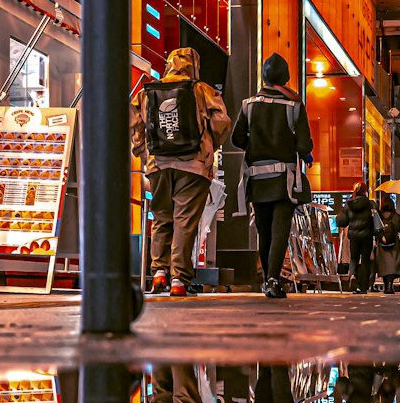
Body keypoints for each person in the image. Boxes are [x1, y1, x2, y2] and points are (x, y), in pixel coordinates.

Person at [130, 46, 230, 298]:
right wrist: (210, 146)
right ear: (193, 66)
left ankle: (159, 272)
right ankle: (178, 279)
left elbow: (134, 123)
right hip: (193, 165)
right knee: (185, 221)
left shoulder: (147, 92)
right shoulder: (202, 90)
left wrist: (144, 152)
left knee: (162, 217)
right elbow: (222, 122)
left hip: (158, 166)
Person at [232, 53, 314, 299]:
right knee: (280, 231)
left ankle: (268, 280)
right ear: (286, 78)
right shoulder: (294, 106)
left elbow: (237, 139)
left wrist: (255, 144)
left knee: (264, 231)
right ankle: (272, 280)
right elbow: (304, 146)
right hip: (284, 181)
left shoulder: (248, 105)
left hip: (257, 179)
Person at [336, 182, 379, 292]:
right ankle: (363, 287)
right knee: (365, 260)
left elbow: (342, 221)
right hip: (367, 236)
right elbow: (377, 220)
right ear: (365, 191)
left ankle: (353, 275)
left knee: (354, 258)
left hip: (353, 236)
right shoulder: (370, 204)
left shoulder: (349, 204)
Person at [374, 193, 400, 293]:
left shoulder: (378, 216)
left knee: (384, 265)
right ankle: (390, 285)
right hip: (394, 243)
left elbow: (375, 229)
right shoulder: (397, 216)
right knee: (393, 264)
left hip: (381, 243)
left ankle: (385, 285)